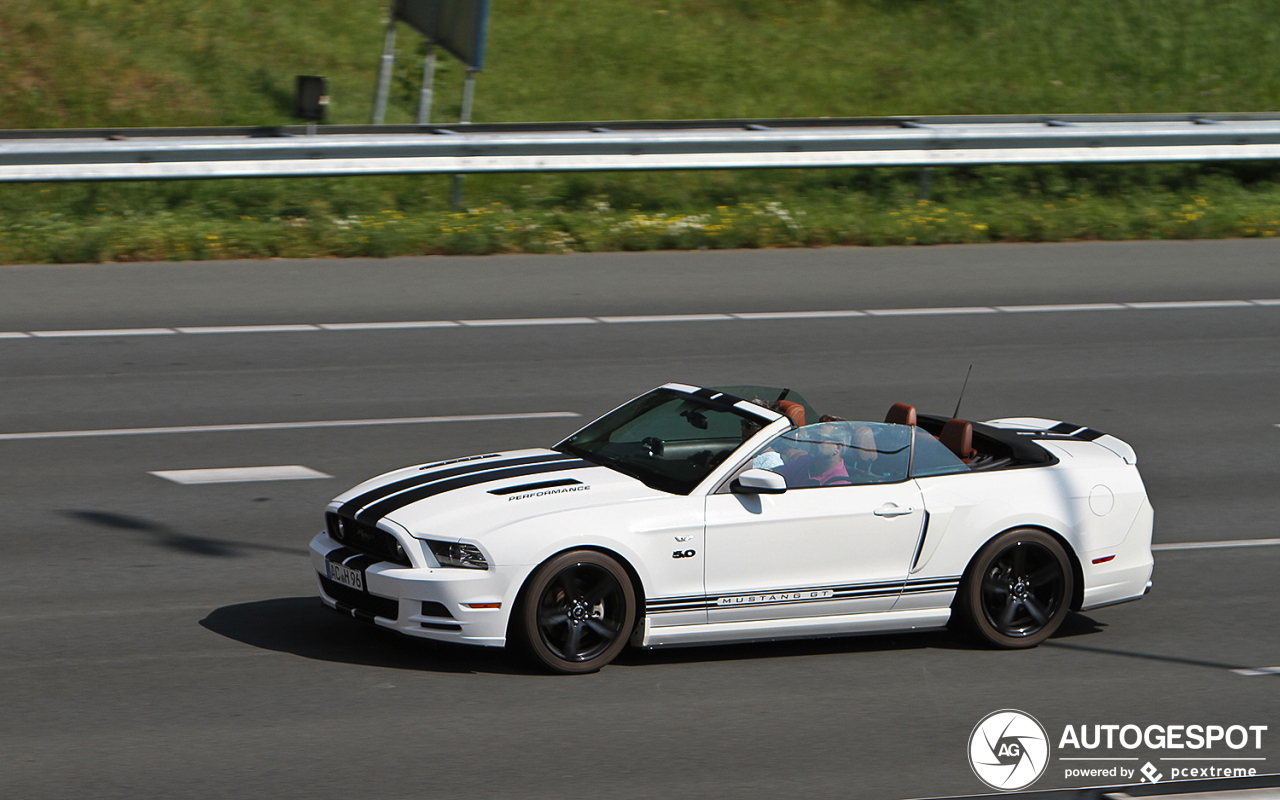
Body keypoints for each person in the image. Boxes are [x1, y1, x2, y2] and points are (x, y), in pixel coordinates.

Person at [775, 422, 853, 487]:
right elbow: (775, 475)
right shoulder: (806, 461)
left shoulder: (839, 484)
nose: (812, 441)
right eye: (813, 436)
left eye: (819, 438)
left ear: (838, 447)